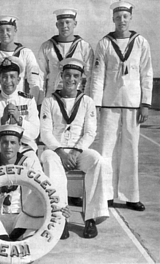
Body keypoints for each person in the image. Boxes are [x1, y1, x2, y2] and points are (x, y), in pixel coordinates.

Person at [90, 1, 153, 211]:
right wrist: (95, 104)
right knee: (105, 149)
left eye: (125, 17)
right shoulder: (105, 43)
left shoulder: (141, 42)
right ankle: (106, 195)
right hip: (109, 103)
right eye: (118, 17)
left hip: (133, 105)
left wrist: (145, 103)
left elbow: (147, 73)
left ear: (130, 17)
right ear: (113, 19)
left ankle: (131, 196)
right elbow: (97, 76)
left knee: (130, 149)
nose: (122, 21)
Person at [40, 58, 111, 239]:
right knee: (48, 160)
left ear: (81, 79)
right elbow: (46, 132)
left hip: (78, 151)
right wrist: (61, 152)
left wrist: (76, 151)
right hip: (55, 150)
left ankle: (91, 218)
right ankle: (60, 218)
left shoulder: (87, 101)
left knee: (98, 161)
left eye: (76, 76)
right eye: (68, 75)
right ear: (61, 76)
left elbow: (90, 132)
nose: (71, 79)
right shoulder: (49, 101)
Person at [0, 56, 41, 172]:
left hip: (22, 147)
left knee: (35, 169)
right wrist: (1, 121)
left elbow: (34, 132)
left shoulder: (28, 100)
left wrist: (19, 120)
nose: (8, 81)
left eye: (12, 77)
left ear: (18, 80)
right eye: (4, 77)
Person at [0, 15, 43, 113]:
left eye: (8, 30)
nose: (4, 33)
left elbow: (34, 82)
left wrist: (34, 104)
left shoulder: (26, 53)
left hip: (18, 105)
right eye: (1, 30)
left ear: (15, 30)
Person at [38, 8, 94, 98]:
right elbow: (40, 76)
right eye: (61, 23)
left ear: (75, 24)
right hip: (52, 97)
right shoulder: (47, 46)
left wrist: (86, 99)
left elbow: (89, 76)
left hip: (76, 97)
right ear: (57, 25)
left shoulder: (84, 47)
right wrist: (40, 100)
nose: (64, 26)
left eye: (68, 22)